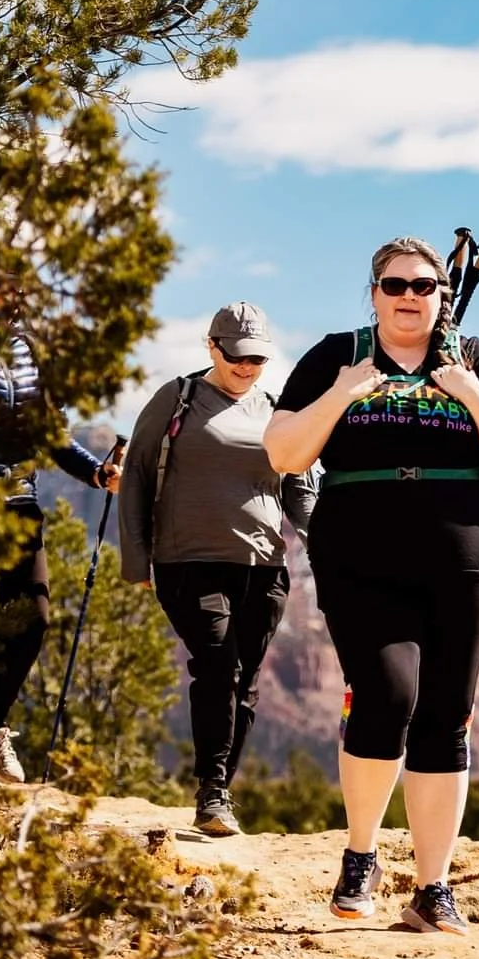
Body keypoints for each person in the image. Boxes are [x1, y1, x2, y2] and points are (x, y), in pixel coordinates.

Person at [264, 237, 479, 936]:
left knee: (447, 711)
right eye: (395, 285)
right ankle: (361, 855)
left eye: (424, 285)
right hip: (360, 548)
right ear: (374, 292)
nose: (410, 295)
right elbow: (285, 451)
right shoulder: (337, 355)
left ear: (443, 294)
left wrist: (470, 393)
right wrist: (341, 394)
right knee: (387, 692)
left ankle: (433, 887)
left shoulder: (476, 358)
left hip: (464, 551)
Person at [118, 302, 317, 837]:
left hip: (263, 567)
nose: (248, 367)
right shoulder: (178, 399)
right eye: (238, 357)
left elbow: (298, 486)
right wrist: (135, 558)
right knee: (218, 665)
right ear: (213, 348)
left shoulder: (276, 409)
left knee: (245, 681)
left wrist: (323, 539)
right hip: (188, 561)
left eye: (257, 358)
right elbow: (136, 474)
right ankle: (212, 790)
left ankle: (218, 790)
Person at [0, 261, 122, 784]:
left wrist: (95, 472)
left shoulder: (31, 347)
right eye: (4, 288)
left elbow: (52, 433)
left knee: (35, 618)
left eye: (20, 288)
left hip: (22, 500)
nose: (14, 297)